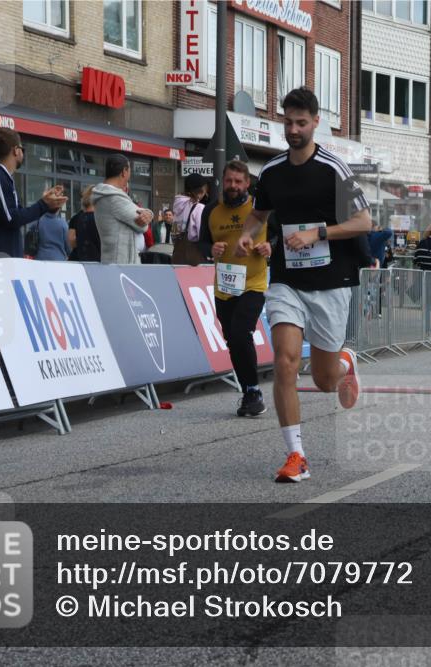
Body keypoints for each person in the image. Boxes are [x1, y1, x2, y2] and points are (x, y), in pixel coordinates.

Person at [235, 87, 371, 483]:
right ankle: (296, 455)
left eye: (300, 123)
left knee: (325, 381)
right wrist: (248, 234)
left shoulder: (333, 167)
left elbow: (363, 223)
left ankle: (345, 362)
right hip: (287, 280)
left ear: (315, 123)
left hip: (330, 281)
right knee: (284, 361)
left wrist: (318, 233)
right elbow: (257, 214)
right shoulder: (273, 171)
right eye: (287, 122)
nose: (293, 130)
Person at [194, 160, 271, 417]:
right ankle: (249, 392)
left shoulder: (259, 207)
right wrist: (210, 250)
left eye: (238, 182)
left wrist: (270, 246)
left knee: (241, 333)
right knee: (232, 340)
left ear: (247, 183)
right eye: (229, 181)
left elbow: (278, 234)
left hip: (254, 282)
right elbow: (202, 242)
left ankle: (253, 391)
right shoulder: (211, 210)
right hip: (224, 286)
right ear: (222, 181)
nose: (233, 186)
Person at [0, 128, 66, 256]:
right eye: (22, 149)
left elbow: (18, 215)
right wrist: (43, 204)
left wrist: (45, 203)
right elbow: (13, 218)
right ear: (16, 150)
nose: (23, 153)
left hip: (5, 260)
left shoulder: (3, 177)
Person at [92, 154, 153, 265]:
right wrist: (147, 216)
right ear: (124, 171)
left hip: (113, 261)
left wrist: (149, 214)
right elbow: (142, 226)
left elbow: (141, 215)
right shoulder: (114, 198)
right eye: (129, 170)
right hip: (122, 265)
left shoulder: (105, 195)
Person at [172, 173, 210, 266]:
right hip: (194, 259)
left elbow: (174, 232)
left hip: (178, 255)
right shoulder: (199, 207)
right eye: (205, 190)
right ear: (201, 191)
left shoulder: (177, 205)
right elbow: (202, 234)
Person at [68, 185, 101, 262]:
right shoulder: (100, 218)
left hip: (77, 260)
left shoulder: (76, 218)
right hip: (97, 261)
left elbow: (72, 241)